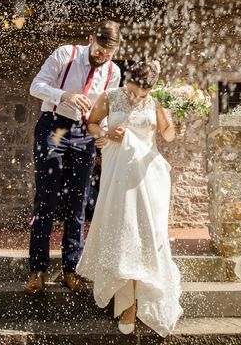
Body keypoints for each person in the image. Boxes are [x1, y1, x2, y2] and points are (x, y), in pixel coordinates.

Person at [77, 61, 183, 337]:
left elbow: (168, 136)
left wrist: (176, 124)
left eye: (142, 94)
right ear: (128, 80)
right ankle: (127, 304)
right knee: (124, 233)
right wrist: (107, 133)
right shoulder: (110, 97)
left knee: (147, 236)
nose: (136, 98)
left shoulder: (158, 103)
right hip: (118, 176)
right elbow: (91, 125)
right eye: (133, 91)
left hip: (149, 177)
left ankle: (141, 301)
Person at [25, 20, 122, 294]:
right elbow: (36, 86)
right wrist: (65, 96)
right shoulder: (65, 54)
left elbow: (105, 108)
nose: (102, 57)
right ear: (91, 39)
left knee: (78, 202)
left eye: (109, 53)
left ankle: (71, 269)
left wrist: (102, 131)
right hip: (54, 128)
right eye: (100, 50)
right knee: (46, 198)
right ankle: (37, 270)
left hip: (84, 134)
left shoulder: (113, 72)